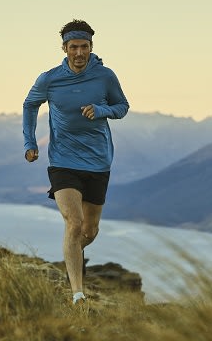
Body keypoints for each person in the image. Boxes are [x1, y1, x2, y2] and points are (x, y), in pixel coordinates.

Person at [22, 19, 129, 305]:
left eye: (84, 47)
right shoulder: (50, 78)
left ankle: (70, 257)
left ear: (91, 48)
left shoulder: (105, 76)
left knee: (88, 231)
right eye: (73, 47)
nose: (79, 52)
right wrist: (30, 142)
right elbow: (29, 105)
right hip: (63, 160)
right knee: (74, 222)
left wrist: (101, 109)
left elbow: (122, 107)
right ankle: (78, 294)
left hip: (98, 162)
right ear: (65, 48)